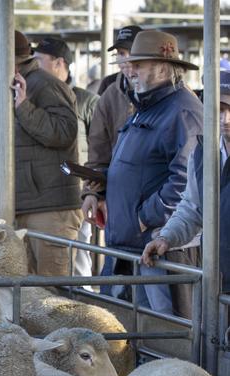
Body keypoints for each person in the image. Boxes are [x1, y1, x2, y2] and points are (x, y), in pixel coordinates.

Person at [102, 30, 203, 316]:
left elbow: (186, 179)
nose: (129, 71)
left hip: (158, 248)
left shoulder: (182, 111)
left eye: (138, 64)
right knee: (134, 330)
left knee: (162, 332)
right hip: (133, 244)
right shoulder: (148, 107)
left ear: (162, 66)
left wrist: (145, 217)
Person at [0, 31, 81, 277]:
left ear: (3, 58)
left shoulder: (45, 84)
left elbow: (65, 132)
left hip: (49, 208)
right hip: (21, 205)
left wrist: (25, 108)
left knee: (52, 291)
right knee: (25, 291)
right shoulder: (0, 87)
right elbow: (2, 147)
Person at [142, 70, 230, 293]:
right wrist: (167, 237)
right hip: (217, 277)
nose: (225, 119)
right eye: (219, 109)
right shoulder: (203, 153)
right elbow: (192, 207)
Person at [33, 37, 99, 281]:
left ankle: (85, 308)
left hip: (76, 194)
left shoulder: (86, 101)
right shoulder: (34, 97)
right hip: (44, 196)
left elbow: (100, 149)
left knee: (79, 258)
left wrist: (93, 190)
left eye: (39, 60)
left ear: (59, 63)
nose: (33, 66)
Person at [81, 26, 142, 230]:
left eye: (128, 53)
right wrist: (92, 192)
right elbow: (98, 149)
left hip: (157, 209)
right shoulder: (110, 93)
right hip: (118, 201)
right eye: (120, 54)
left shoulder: (173, 95)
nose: (123, 61)